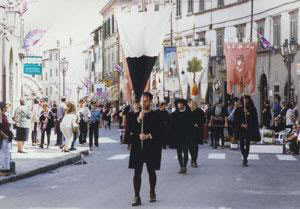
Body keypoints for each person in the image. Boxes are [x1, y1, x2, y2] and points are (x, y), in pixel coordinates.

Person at [128, 92, 161, 206]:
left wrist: (148, 136)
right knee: (137, 173)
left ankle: (152, 191)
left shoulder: (156, 115)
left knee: (151, 172)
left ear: (150, 102)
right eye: (142, 101)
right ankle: (137, 196)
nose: (143, 103)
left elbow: (159, 131)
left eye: (146, 101)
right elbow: (130, 130)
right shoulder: (135, 115)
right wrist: (138, 119)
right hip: (138, 148)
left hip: (151, 148)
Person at [234, 96, 260, 167]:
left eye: (246, 99)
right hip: (241, 129)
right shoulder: (238, 109)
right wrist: (241, 124)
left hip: (249, 129)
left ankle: (245, 158)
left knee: (248, 144)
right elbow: (236, 119)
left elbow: (254, 119)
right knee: (241, 144)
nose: (245, 100)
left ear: (248, 100)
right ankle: (244, 157)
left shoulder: (252, 109)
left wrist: (248, 113)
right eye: (244, 99)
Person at [169, 99, 192, 174]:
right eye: (178, 104)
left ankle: (185, 166)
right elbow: (171, 126)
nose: (179, 105)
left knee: (185, 152)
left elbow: (190, 125)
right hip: (177, 136)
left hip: (186, 135)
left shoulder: (188, 113)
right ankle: (181, 166)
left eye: (181, 104)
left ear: (184, 104)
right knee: (179, 152)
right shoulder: (174, 114)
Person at [188, 99, 205, 168]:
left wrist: (198, 124)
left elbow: (203, 120)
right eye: (190, 103)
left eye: (192, 103)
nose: (191, 104)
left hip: (197, 131)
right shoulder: (187, 111)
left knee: (195, 146)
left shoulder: (200, 111)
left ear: (195, 104)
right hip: (189, 131)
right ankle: (192, 158)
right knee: (190, 146)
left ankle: (194, 161)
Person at [0, 102, 14, 175]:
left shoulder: (4, 115)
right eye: (5, 107)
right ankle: (2, 168)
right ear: (2, 108)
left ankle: (6, 168)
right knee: (3, 153)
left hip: (6, 137)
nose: (6, 108)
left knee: (6, 152)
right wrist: (4, 135)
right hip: (3, 137)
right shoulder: (1, 116)